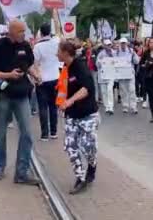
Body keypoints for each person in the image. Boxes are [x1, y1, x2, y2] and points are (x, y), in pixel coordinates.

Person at [0, 20, 41, 185]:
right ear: (11, 32)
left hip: (22, 94)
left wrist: (34, 74)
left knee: (27, 134)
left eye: (24, 31)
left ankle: (22, 172)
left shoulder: (25, 46)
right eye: (21, 31)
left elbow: (28, 64)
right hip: (3, 95)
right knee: (0, 134)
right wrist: (8, 75)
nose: (23, 34)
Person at [56, 40, 99, 195]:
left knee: (88, 147)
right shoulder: (64, 68)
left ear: (66, 53)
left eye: (58, 51)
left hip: (87, 114)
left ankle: (92, 165)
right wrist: (61, 103)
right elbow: (62, 88)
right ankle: (80, 178)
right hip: (71, 115)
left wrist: (70, 101)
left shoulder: (80, 66)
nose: (56, 54)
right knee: (70, 146)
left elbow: (86, 88)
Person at [33, 23, 60, 141]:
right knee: (53, 106)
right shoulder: (56, 43)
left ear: (41, 33)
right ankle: (54, 132)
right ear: (50, 32)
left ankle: (44, 133)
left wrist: (36, 76)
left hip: (42, 79)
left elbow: (35, 63)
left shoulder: (37, 47)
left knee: (43, 107)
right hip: (55, 77)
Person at [116, 38, 138, 114]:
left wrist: (134, 55)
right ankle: (125, 106)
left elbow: (136, 61)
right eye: (122, 43)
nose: (123, 44)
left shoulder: (131, 51)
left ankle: (133, 107)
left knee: (132, 90)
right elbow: (114, 62)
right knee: (123, 91)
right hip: (122, 74)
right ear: (120, 44)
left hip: (130, 73)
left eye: (124, 43)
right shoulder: (117, 52)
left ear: (127, 43)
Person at [96, 39, 116, 115]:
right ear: (104, 46)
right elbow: (97, 64)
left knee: (109, 90)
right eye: (107, 45)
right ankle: (106, 107)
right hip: (103, 75)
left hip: (111, 75)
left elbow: (117, 62)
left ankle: (111, 107)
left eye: (109, 45)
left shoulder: (114, 53)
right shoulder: (101, 54)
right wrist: (101, 62)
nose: (108, 46)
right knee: (104, 92)